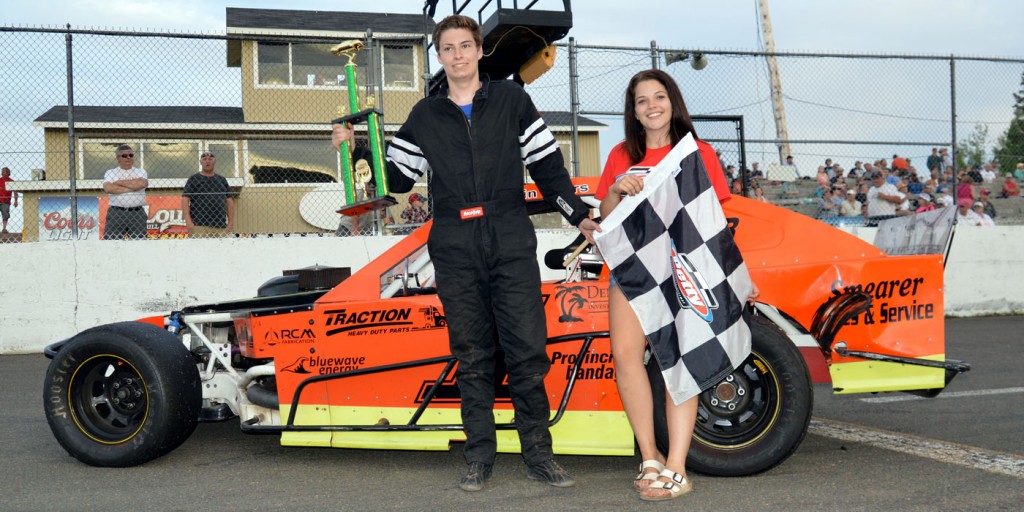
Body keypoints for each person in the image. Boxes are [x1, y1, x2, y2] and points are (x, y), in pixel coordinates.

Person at [331, 14, 599, 492]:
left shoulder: (513, 99)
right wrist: (356, 151)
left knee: (526, 351)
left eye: (464, 46)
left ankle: (539, 454)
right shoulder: (424, 115)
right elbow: (394, 181)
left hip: (511, 235)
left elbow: (548, 168)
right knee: (472, 354)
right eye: (447, 48)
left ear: (479, 51)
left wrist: (577, 214)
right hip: (454, 242)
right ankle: (479, 456)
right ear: (440, 56)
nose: (457, 55)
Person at [595, 69, 756, 502]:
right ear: (633, 110)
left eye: (659, 97)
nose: (651, 106)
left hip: (688, 273)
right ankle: (649, 457)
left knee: (678, 362)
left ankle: (677, 467)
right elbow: (605, 218)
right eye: (641, 100)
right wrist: (616, 189)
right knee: (626, 357)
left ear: (673, 102)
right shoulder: (619, 154)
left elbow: (716, 223)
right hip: (633, 274)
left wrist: (736, 279)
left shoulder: (697, 152)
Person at [182, 151, 235, 238]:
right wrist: (188, 221)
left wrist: (230, 223)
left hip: (221, 226)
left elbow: (229, 201)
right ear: (200, 162)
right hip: (199, 225)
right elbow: (185, 200)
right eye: (204, 159)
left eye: (210, 159)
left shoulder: (222, 180)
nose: (207, 161)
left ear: (215, 161)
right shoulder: (193, 179)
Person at [103, 145, 149, 240]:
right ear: (118, 158)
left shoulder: (140, 171)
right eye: (124, 156)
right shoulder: (111, 172)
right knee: (112, 243)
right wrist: (133, 187)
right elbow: (108, 188)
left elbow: (142, 183)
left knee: (139, 243)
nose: (128, 157)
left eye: (130, 155)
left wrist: (119, 183)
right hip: (117, 213)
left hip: (137, 213)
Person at [0, 167, 18, 233]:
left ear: (8, 173)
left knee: (5, 216)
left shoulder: (11, 181)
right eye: (3, 171)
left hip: (6, 202)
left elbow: (15, 192)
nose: (4, 173)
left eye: (5, 171)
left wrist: (16, 201)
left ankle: (4, 228)